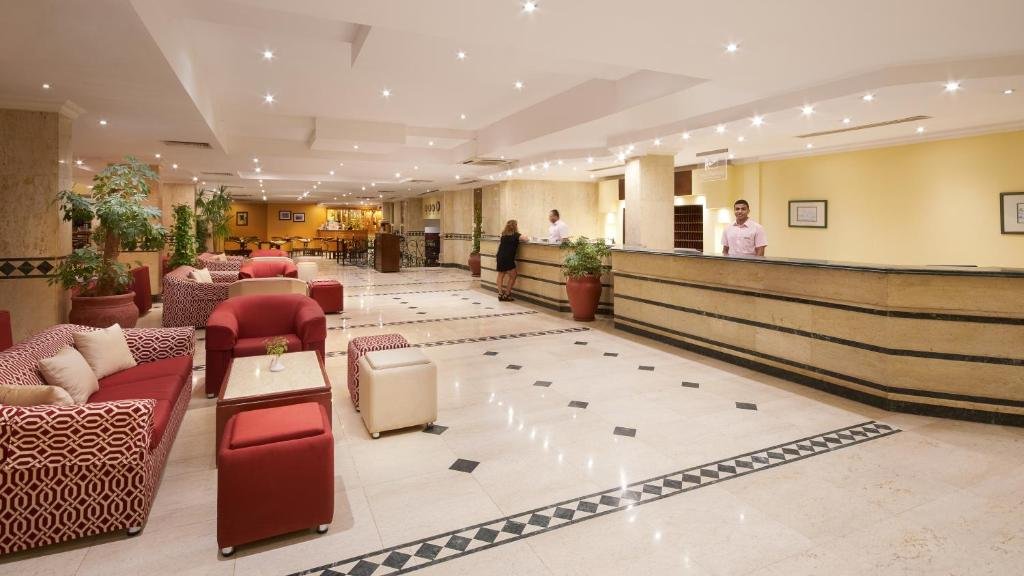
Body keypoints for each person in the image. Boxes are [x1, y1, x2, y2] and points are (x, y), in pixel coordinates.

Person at [495, 219, 529, 301]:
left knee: (501, 274)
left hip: (500, 256)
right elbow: (526, 239)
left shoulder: (503, 235)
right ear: (515, 226)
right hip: (508, 258)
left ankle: (500, 294)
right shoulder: (516, 235)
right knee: (513, 275)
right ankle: (507, 294)